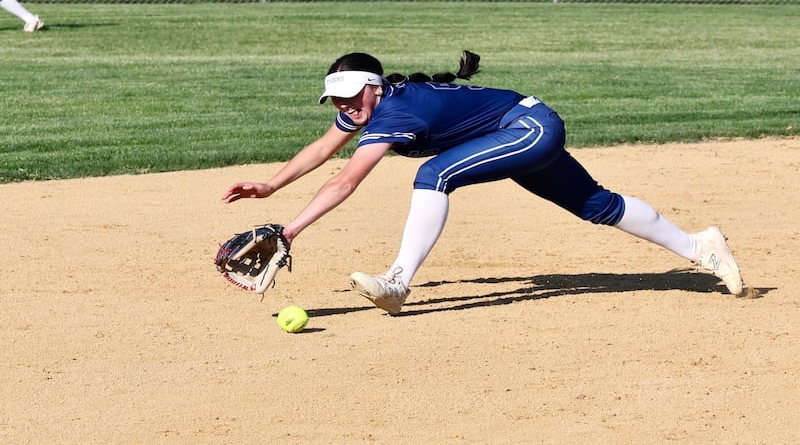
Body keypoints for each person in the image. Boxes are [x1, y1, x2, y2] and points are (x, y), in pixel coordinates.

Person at [222, 50, 743, 315]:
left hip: (531, 127)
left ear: (375, 88)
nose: (345, 107)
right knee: (596, 205)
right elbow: (321, 149)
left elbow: (345, 181)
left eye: (352, 95)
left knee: (435, 172)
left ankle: (398, 283)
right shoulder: (368, 110)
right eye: (336, 99)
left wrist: (289, 231)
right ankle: (701, 246)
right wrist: (271, 186)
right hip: (520, 130)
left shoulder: (395, 111)